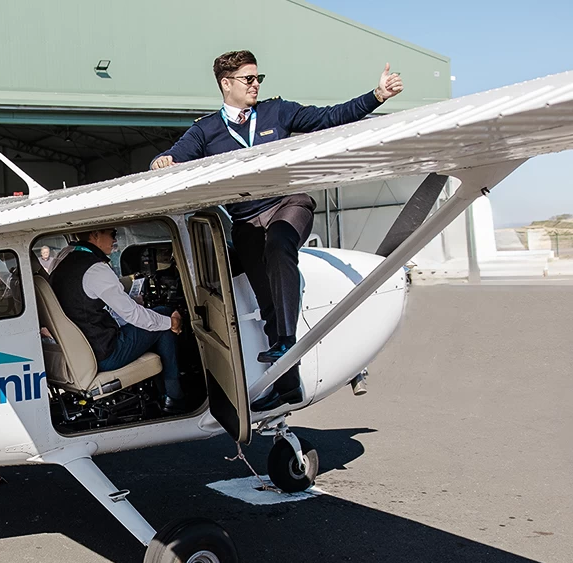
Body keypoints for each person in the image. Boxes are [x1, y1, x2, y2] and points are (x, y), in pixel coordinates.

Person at [150, 50, 402, 412]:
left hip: (289, 205)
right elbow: (174, 156)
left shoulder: (277, 111)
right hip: (247, 224)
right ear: (226, 84)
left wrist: (375, 96)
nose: (256, 85)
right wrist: (163, 161)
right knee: (268, 305)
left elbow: (329, 118)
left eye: (258, 79)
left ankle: (286, 341)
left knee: (281, 244)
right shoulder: (205, 130)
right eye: (248, 79)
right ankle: (288, 387)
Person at [49, 228, 186, 412]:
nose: (115, 238)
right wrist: (172, 322)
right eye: (112, 233)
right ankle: (175, 397)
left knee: (154, 319)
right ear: (95, 234)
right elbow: (132, 315)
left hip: (85, 347)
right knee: (163, 315)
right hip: (106, 353)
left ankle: (166, 394)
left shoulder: (63, 260)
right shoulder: (95, 269)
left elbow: (87, 307)